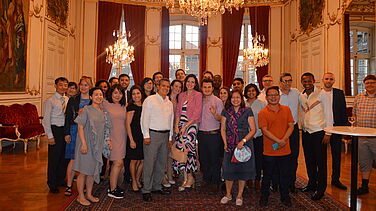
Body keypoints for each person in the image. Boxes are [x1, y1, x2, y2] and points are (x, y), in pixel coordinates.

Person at [73, 87, 112, 206]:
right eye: (96, 95)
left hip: (97, 145)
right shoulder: (86, 110)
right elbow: (80, 127)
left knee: (91, 171)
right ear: (91, 97)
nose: (99, 97)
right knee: (83, 172)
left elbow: (106, 129)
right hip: (86, 144)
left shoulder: (103, 112)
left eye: (101, 95)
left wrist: (108, 141)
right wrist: (84, 143)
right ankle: (80, 196)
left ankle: (89, 194)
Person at [258, 86, 295, 207]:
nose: (273, 97)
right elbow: (264, 130)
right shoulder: (262, 113)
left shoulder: (287, 109)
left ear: (279, 96)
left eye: (275, 95)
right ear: (267, 97)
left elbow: (291, 126)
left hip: (285, 149)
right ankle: (264, 197)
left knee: (285, 175)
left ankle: (285, 197)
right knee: (267, 176)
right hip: (269, 151)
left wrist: (283, 140)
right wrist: (278, 141)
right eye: (270, 95)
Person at [220, 89, 256, 206]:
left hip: (244, 144)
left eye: (238, 97)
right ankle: (228, 194)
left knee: (243, 170)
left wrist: (243, 141)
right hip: (230, 144)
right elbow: (223, 129)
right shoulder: (226, 111)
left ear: (241, 99)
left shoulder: (247, 111)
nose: (235, 100)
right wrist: (225, 143)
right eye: (233, 97)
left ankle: (239, 195)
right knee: (228, 170)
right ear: (230, 99)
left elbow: (253, 129)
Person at [140, 79, 174, 202]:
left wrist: (170, 137)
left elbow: (171, 121)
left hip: (165, 136)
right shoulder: (150, 100)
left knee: (161, 163)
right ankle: (146, 189)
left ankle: (156, 186)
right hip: (152, 135)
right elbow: (144, 118)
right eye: (163, 86)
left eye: (168, 86)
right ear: (157, 87)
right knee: (150, 163)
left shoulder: (169, 102)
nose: (166, 88)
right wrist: (146, 135)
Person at [299, 72, 332, 200]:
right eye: (304, 81)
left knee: (321, 162)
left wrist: (328, 132)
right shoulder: (301, 96)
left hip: (319, 132)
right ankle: (312, 184)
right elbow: (303, 111)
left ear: (314, 81)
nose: (306, 83)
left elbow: (329, 114)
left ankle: (321, 188)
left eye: (309, 81)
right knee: (309, 160)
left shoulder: (322, 93)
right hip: (306, 132)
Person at [63, 76, 93, 196]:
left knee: (87, 159)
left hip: (89, 133)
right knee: (73, 159)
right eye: (81, 84)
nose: (83, 87)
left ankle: (85, 185)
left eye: (86, 85)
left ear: (90, 86)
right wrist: (66, 133)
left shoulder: (94, 99)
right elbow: (68, 117)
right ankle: (69, 185)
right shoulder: (74, 99)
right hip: (75, 131)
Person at [174, 74, 203, 191]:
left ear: (195, 84)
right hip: (181, 125)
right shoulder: (181, 95)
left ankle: (190, 178)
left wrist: (186, 126)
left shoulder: (198, 95)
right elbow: (177, 112)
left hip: (191, 126)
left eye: (192, 82)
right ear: (185, 83)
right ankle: (185, 178)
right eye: (188, 82)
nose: (190, 84)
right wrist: (176, 126)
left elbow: (197, 113)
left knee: (189, 152)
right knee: (182, 153)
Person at [321, 72, 348, 190]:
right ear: (322, 80)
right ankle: (321, 180)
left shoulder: (339, 93)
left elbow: (343, 111)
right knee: (321, 157)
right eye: (326, 78)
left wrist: (343, 129)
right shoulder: (317, 93)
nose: (328, 81)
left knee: (337, 156)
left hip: (336, 129)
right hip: (321, 129)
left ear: (334, 81)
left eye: (331, 79)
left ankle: (335, 179)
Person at [42, 77, 69, 194]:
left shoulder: (67, 99)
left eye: (65, 85)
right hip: (55, 130)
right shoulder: (50, 101)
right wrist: (50, 136)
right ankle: (52, 183)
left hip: (65, 130)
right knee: (54, 158)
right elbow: (46, 120)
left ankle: (60, 179)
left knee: (64, 157)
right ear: (55, 86)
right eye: (61, 85)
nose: (63, 87)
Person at [198, 79, 224, 191]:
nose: (207, 89)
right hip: (201, 134)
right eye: (205, 87)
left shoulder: (217, 101)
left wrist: (214, 114)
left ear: (212, 88)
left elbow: (222, 119)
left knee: (214, 159)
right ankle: (206, 179)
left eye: (209, 87)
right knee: (203, 159)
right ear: (202, 88)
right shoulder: (200, 100)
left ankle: (215, 181)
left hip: (214, 134)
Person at [353, 74, 376, 195]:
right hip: (361, 137)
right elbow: (354, 115)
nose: (370, 85)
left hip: (375, 137)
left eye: (372, 82)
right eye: (367, 83)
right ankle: (365, 186)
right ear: (364, 85)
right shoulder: (358, 97)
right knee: (364, 163)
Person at [103, 84, 127, 199]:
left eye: (120, 93)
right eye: (115, 92)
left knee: (118, 163)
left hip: (122, 137)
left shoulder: (123, 106)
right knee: (118, 163)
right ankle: (112, 189)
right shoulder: (105, 104)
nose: (118, 95)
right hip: (111, 138)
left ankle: (113, 186)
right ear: (111, 93)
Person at [279, 72, 301, 193]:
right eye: (285, 81)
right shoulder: (276, 94)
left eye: (289, 81)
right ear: (280, 82)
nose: (287, 83)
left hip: (294, 130)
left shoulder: (296, 93)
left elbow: (305, 104)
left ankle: (291, 182)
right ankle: (278, 182)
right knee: (280, 156)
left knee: (294, 156)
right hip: (279, 130)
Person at [244, 83, 266, 190]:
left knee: (258, 159)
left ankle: (257, 179)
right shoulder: (243, 104)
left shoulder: (261, 103)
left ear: (256, 92)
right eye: (249, 91)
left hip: (258, 136)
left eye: (253, 90)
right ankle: (248, 179)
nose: (251, 93)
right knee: (247, 158)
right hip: (246, 137)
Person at [162, 79, 183, 188]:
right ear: (171, 87)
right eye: (175, 86)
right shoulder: (165, 98)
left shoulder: (181, 100)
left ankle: (170, 175)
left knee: (171, 154)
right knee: (164, 154)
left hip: (176, 130)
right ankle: (163, 176)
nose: (177, 89)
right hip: (166, 129)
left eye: (180, 87)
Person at [126, 85, 145, 192]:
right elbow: (127, 125)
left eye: (138, 93)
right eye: (133, 94)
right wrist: (131, 140)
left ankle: (137, 179)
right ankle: (133, 180)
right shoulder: (131, 107)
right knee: (133, 160)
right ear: (131, 96)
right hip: (134, 136)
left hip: (143, 136)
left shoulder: (145, 105)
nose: (136, 96)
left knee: (142, 160)